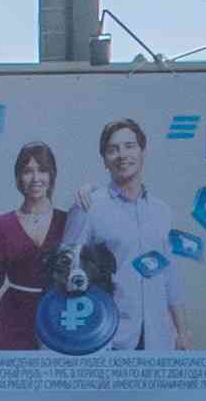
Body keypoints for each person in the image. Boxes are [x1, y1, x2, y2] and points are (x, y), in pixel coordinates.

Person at [75, 115, 181, 354]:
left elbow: (171, 277)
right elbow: (71, 269)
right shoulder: (90, 206)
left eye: (130, 146)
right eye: (113, 149)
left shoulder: (162, 211)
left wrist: (182, 332)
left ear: (143, 152)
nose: (122, 155)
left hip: (159, 337)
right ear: (104, 160)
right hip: (110, 336)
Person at [0, 141, 69, 350]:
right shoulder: (2, 223)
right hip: (14, 319)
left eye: (43, 170)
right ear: (19, 177)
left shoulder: (68, 220)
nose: (36, 178)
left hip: (58, 314)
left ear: (51, 175)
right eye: (28, 171)